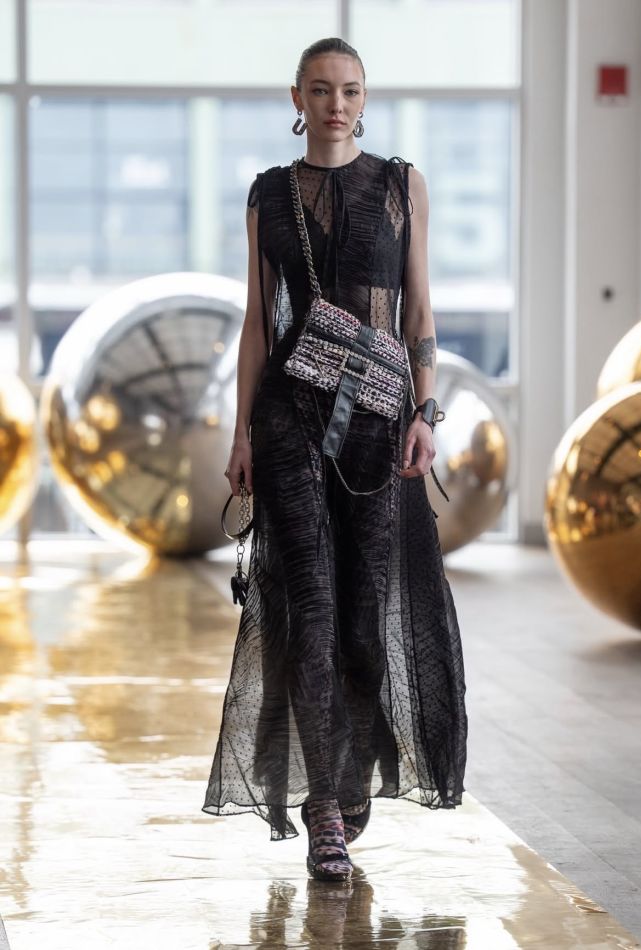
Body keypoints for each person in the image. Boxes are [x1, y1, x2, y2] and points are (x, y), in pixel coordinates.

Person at [202, 36, 467, 883]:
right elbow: (258, 323)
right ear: (298, 99)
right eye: (320, 90)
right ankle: (324, 806)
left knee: (362, 620)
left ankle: (348, 775)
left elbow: (418, 311)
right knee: (310, 611)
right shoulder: (269, 195)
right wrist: (242, 433)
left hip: (379, 424)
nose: (336, 104)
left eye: (349, 90)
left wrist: (425, 411)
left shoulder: (401, 186)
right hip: (288, 417)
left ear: (365, 98)